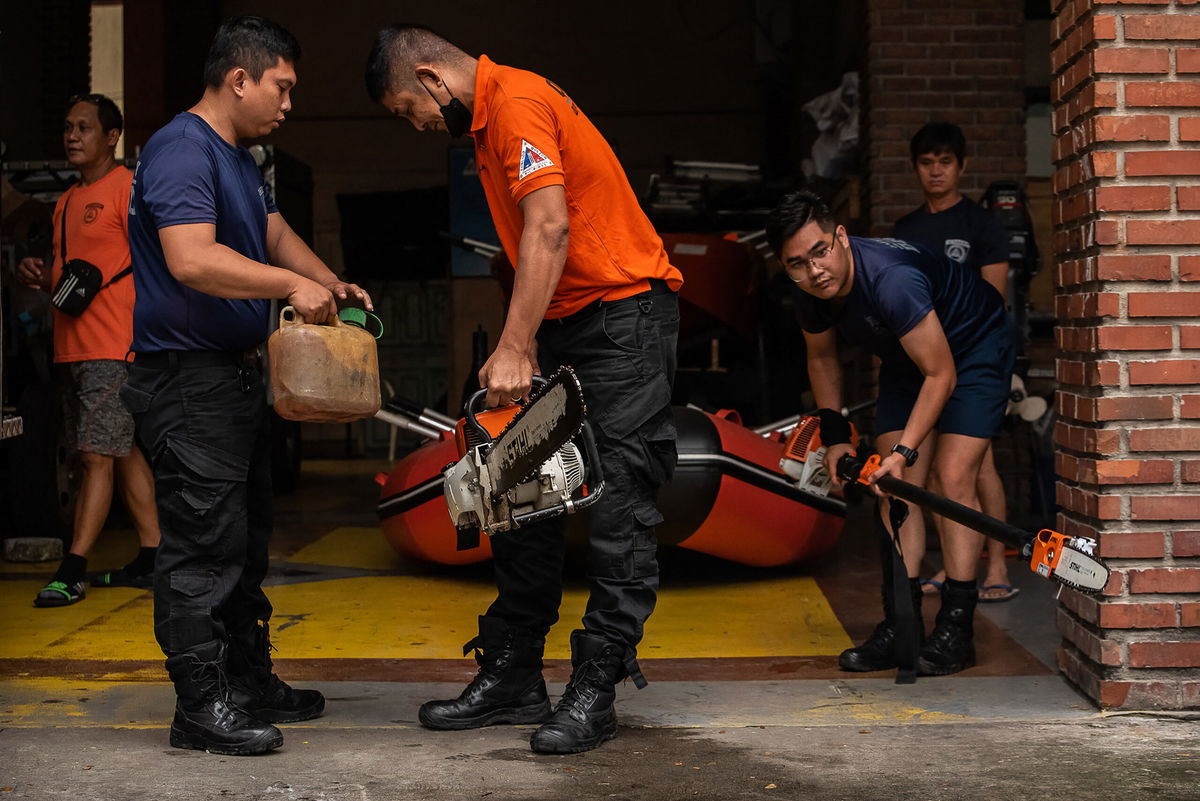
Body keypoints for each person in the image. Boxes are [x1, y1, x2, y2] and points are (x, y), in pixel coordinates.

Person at [366, 25, 682, 754]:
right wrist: (532, 331)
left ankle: (597, 682)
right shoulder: (485, 125)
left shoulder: (514, 102)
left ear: (431, 77)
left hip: (624, 318)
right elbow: (529, 247)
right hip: (574, 322)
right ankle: (514, 673)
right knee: (521, 493)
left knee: (622, 504)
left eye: (406, 108)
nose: (413, 124)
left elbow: (548, 226)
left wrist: (512, 344)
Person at [123, 16, 371, 756]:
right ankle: (200, 705)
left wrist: (327, 280)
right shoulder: (178, 149)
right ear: (239, 79)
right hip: (186, 383)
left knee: (245, 539)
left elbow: (269, 231)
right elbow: (193, 259)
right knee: (201, 547)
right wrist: (293, 284)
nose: (289, 103)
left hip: (232, 381)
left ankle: (246, 679)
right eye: (282, 87)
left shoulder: (240, 157)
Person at [766, 190, 1013, 677]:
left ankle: (956, 628)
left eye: (821, 252)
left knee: (952, 476)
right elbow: (821, 358)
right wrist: (836, 434)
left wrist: (905, 449)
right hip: (907, 354)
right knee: (892, 484)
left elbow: (941, 374)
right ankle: (901, 621)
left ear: (840, 237)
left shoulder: (891, 281)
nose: (815, 271)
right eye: (797, 263)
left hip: (974, 345)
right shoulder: (810, 293)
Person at [17, 94, 161, 608]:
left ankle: (72, 569)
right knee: (120, 451)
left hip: (112, 345)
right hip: (71, 347)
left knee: (95, 455)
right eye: (67, 126)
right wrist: (39, 272)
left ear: (111, 136)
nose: (72, 135)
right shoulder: (65, 202)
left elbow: (158, 261)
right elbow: (69, 270)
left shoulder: (129, 189)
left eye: (84, 127)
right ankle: (152, 556)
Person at [892, 122, 1018, 604]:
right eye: (927, 162)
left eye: (945, 162)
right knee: (940, 470)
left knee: (976, 466)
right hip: (927, 361)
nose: (936, 171)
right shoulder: (906, 231)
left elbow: (995, 297)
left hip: (975, 354)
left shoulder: (982, 224)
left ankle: (992, 566)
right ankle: (953, 564)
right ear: (915, 168)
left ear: (961, 166)